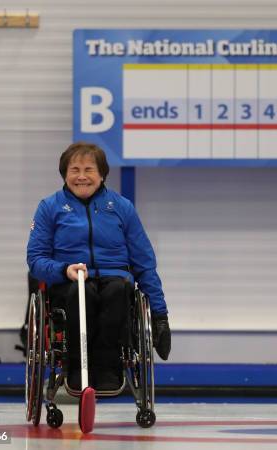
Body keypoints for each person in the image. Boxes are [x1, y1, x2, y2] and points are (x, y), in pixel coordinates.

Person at [27, 142, 171, 391]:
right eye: (74, 170)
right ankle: (75, 366)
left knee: (117, 290)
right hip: (70, 282)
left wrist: (160, 315)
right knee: (83, 293)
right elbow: (36, 260)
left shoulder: (122, 207)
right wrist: (64, 270)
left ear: (102, 174)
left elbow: (144, 263)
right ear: (64, 174)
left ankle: (108, 366)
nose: (81, 176)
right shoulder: (49, 208)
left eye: (89, 169)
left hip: (114, 279)